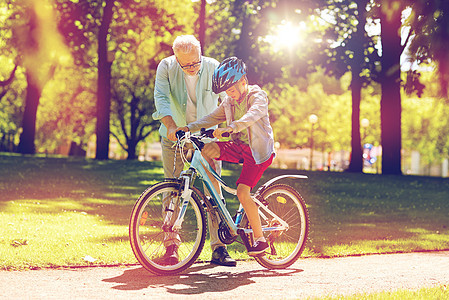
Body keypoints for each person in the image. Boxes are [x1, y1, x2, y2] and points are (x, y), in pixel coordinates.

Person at [152, 35, 236, 266]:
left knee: (213, 189)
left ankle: (219, 248)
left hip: (206, 136)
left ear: (200, 54)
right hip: (175, 135)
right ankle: (171, 246)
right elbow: (160, 97)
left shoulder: (213, 67)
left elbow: (227, 100)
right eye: (185, 64)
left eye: (195, 63)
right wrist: (170, 126)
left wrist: (227, 128)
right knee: (172, 188)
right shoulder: (167, 67)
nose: (191, 68)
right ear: (176, 58)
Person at [179, 57, 276, 256]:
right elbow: (213, 117)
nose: (229, 94)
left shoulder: (258, 96)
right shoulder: (230, 101)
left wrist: (231, 128)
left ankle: (259, 240)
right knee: (207, 150)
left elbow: (251, 116)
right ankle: (216, 195)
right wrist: (188, 128)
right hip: (239, 146)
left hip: (257, 153)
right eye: (226, 92)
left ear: (243, 82)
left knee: (242, 193)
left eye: (231, 90)